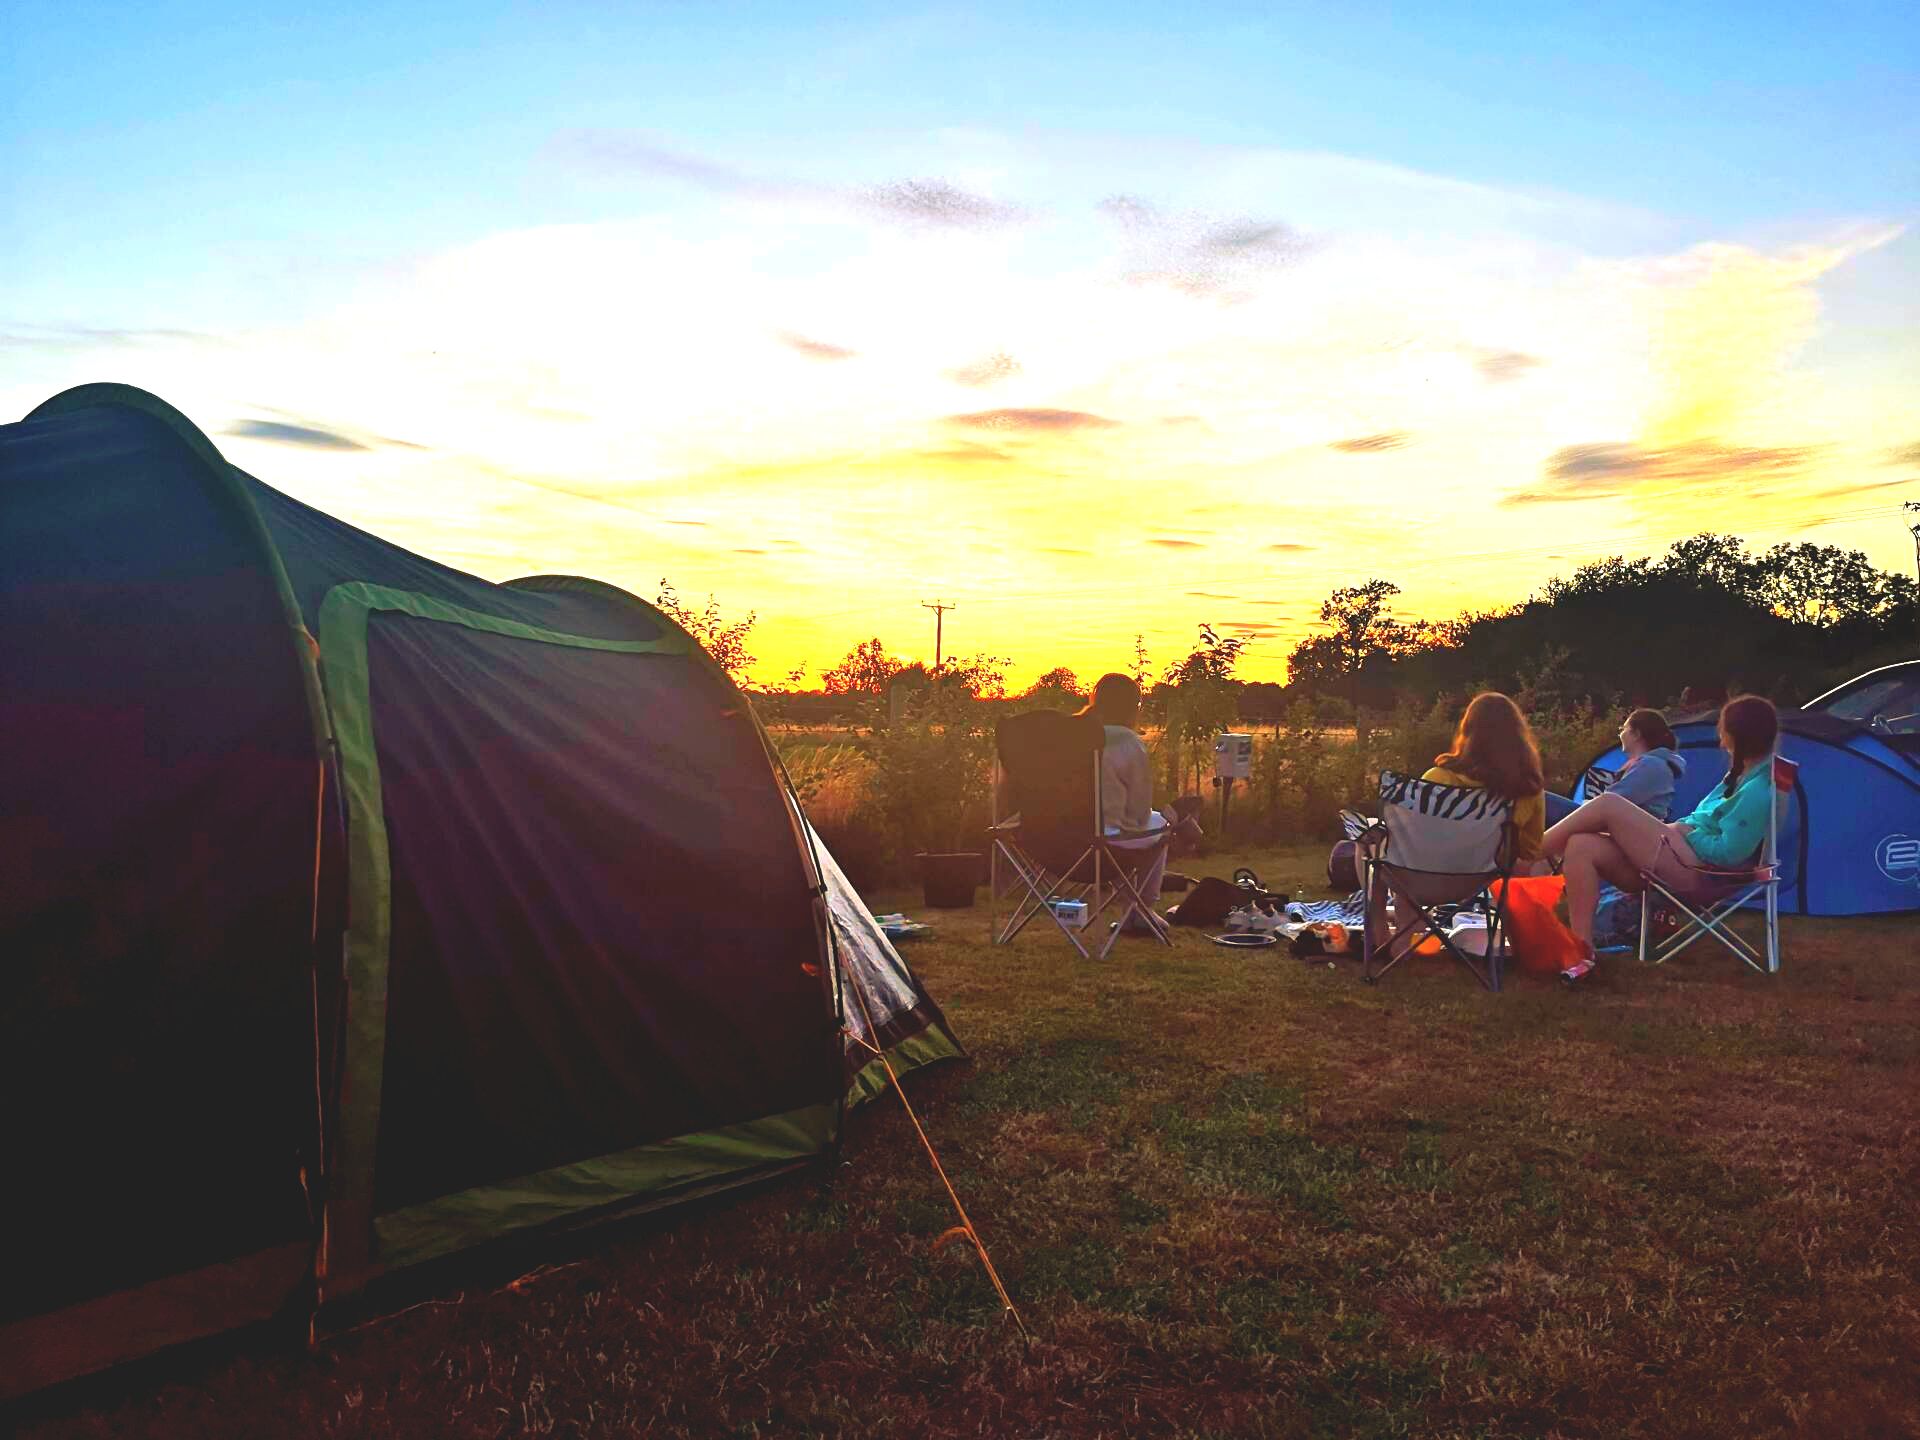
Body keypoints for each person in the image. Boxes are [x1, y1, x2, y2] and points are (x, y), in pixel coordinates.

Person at [1543, 695, 1780, 983]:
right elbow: (1701, 821)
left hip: (1699, 872)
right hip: (1679, 855)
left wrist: (1686, 833)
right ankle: (1581, 950)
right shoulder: (1739, 777)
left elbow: (1729, 853)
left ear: (1740, 735)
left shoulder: (1758, 789)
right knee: (1581, 844)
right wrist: (1681, 829)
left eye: (1724, 731)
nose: (1720, 740)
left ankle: (1532, 849)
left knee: (1608, 804)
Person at [1076, 673, 1199, 929]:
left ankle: (1135, 911)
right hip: (1104, 840)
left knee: (1143, 829)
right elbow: (1139, 812)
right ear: (1133, 708)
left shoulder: (1070, 738)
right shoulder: (1127, 741)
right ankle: (1141, 909)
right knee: (1159, 826)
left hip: (1059, 841)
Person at [1422, 692, 1547, 867]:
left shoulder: (1437, 778)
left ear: (1467, 731)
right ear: (1517, 736)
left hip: (1427, 874)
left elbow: (1413, 833)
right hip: (1480, 880)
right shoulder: (1527, 789)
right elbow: (1529, 850)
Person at [1543, 708, 1686, 824]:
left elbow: (1610, 802)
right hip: (1612, 822)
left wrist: (1586, 806)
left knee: (1539, 800)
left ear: (1636, 734)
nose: (1620, 735)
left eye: (1623, 729)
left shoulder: (1652, 765)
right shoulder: (1649, 764)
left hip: (1615, 827)